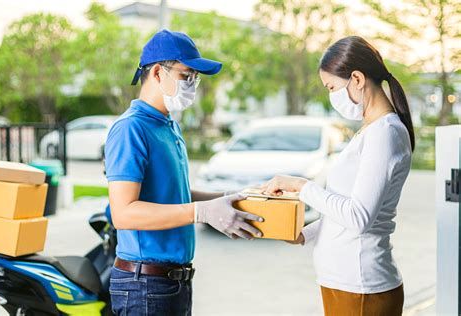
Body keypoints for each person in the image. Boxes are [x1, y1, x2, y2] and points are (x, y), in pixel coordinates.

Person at [105, 29, 263, 315]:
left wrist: (229, 197)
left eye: (195, 78)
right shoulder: (131, 129)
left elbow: (173, 194)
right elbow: (124, 213)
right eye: (185, 75)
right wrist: (201, 212)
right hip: (144, 285)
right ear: (156, 73)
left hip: (173, 283)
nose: (192, 84)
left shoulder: (169, 126)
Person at [260, 36, 414, 316]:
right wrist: (304, 234)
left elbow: (359, 218)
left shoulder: (385, 133)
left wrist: (301, 186)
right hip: (344, 283)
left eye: (332, 87)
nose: (331, 96)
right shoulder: (369, 131)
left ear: (356, 78)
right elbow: (345, 210)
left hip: (363, 285)